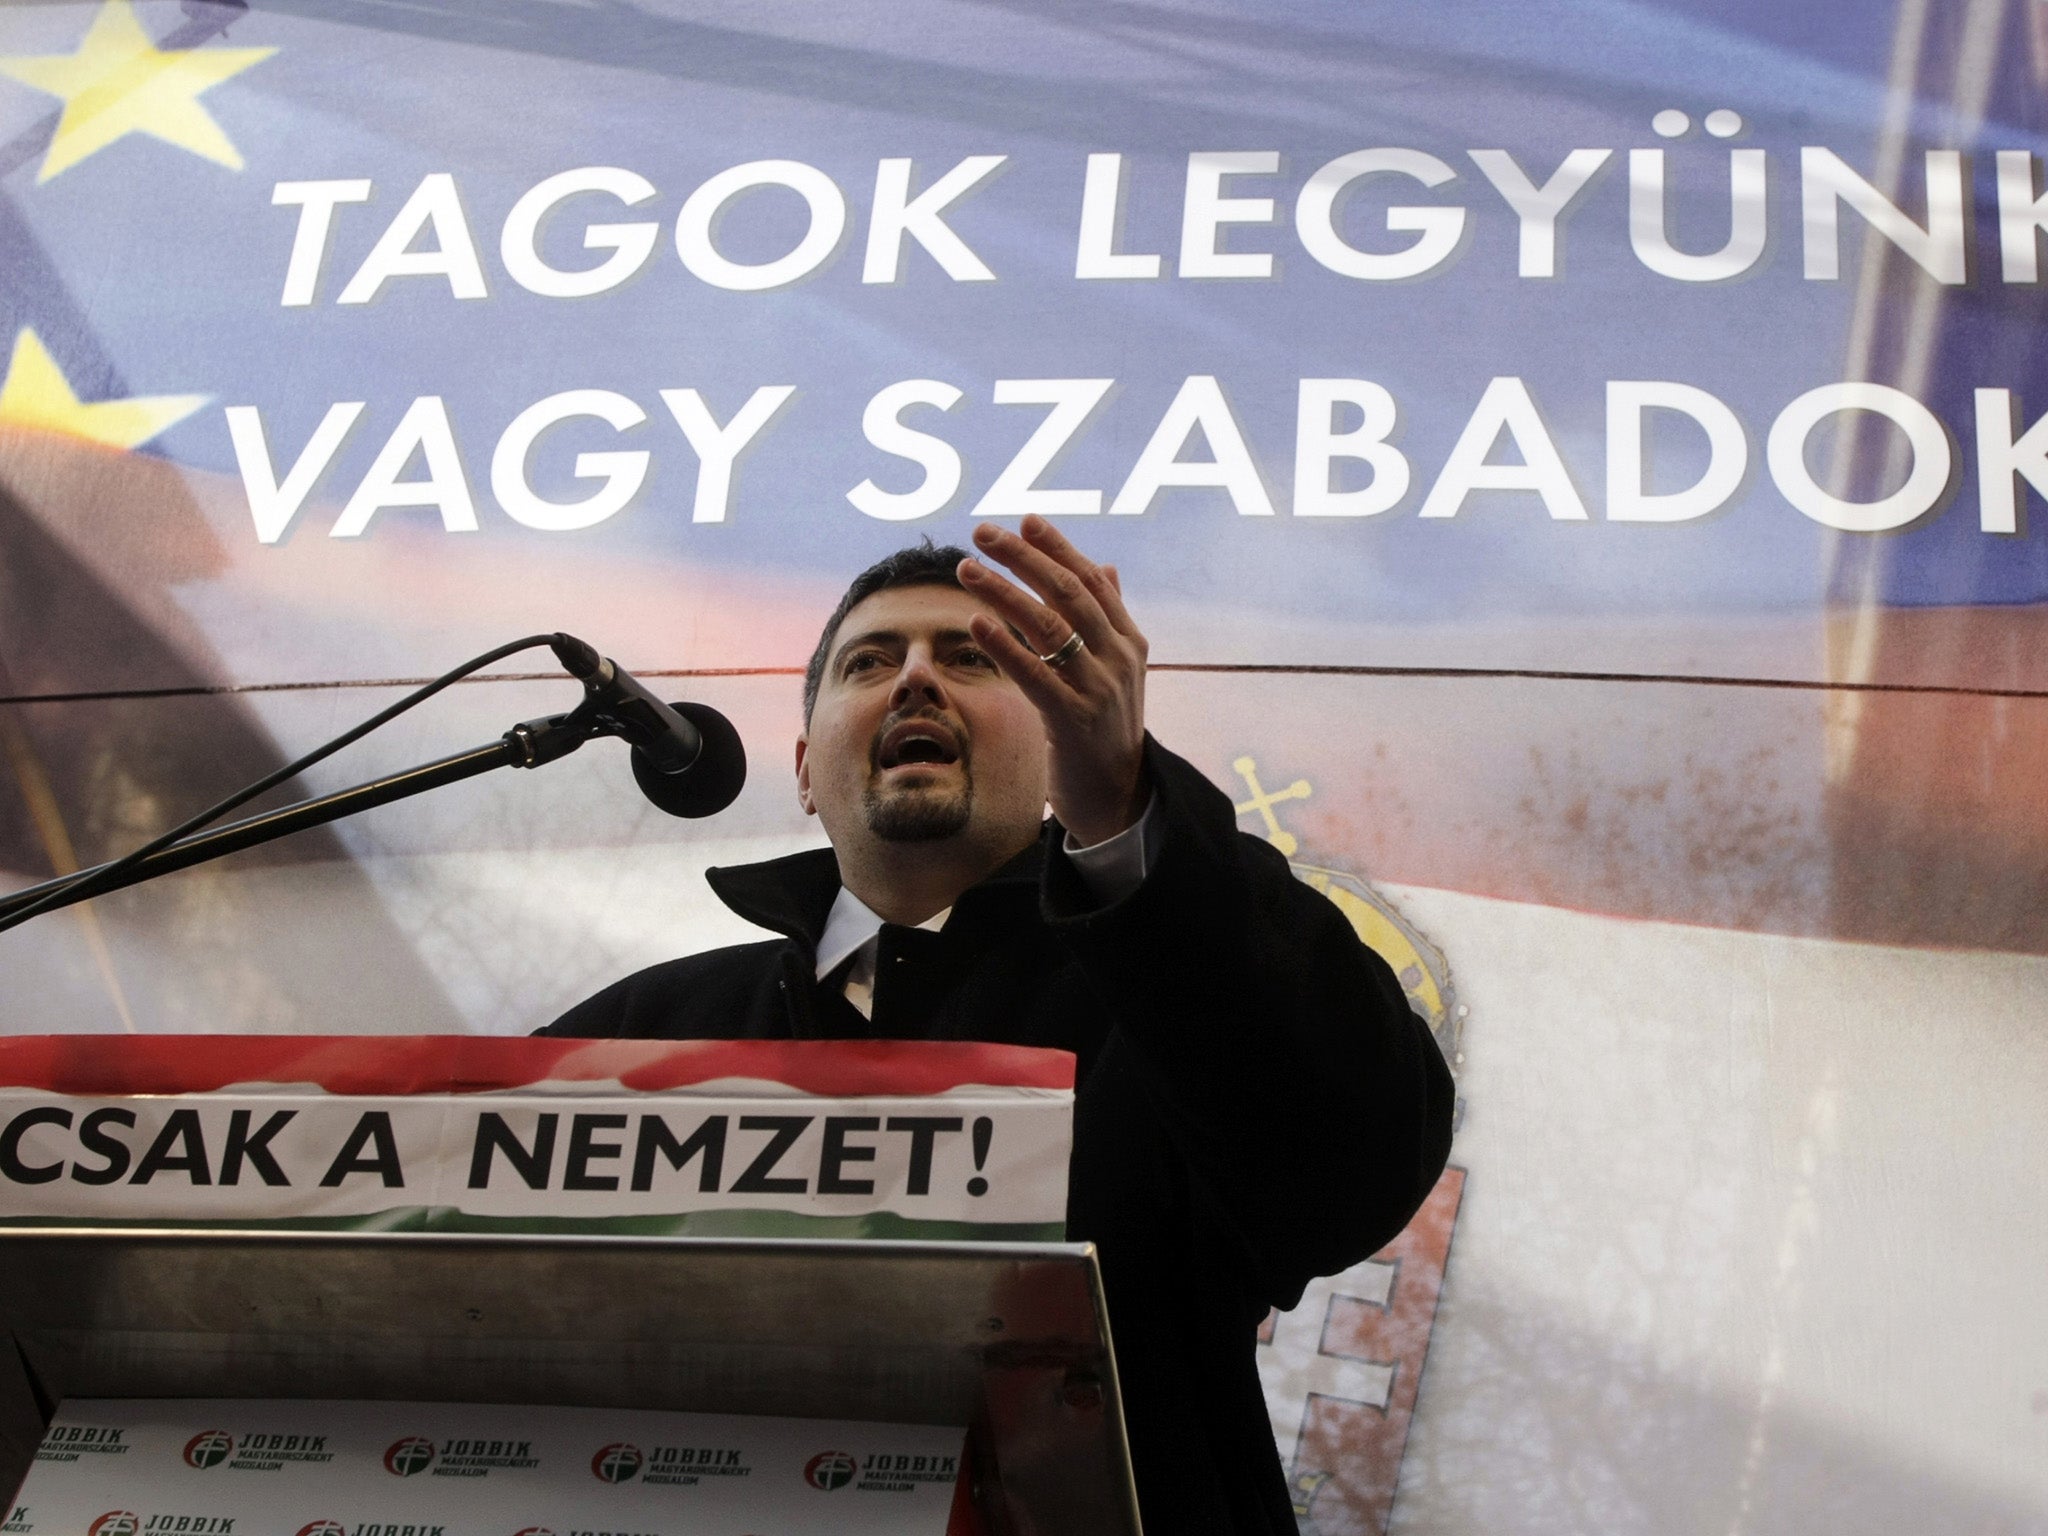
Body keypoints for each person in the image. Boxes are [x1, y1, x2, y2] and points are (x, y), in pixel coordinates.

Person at [541, 515, 1455, 1535]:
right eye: (869, 662)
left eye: (972, 658)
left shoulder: (1169, 999)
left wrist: (1124, 806)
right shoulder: (641, 1037)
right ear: (803, 771)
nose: (913, 681)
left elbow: (1355, 1155)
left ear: (1059, 735)